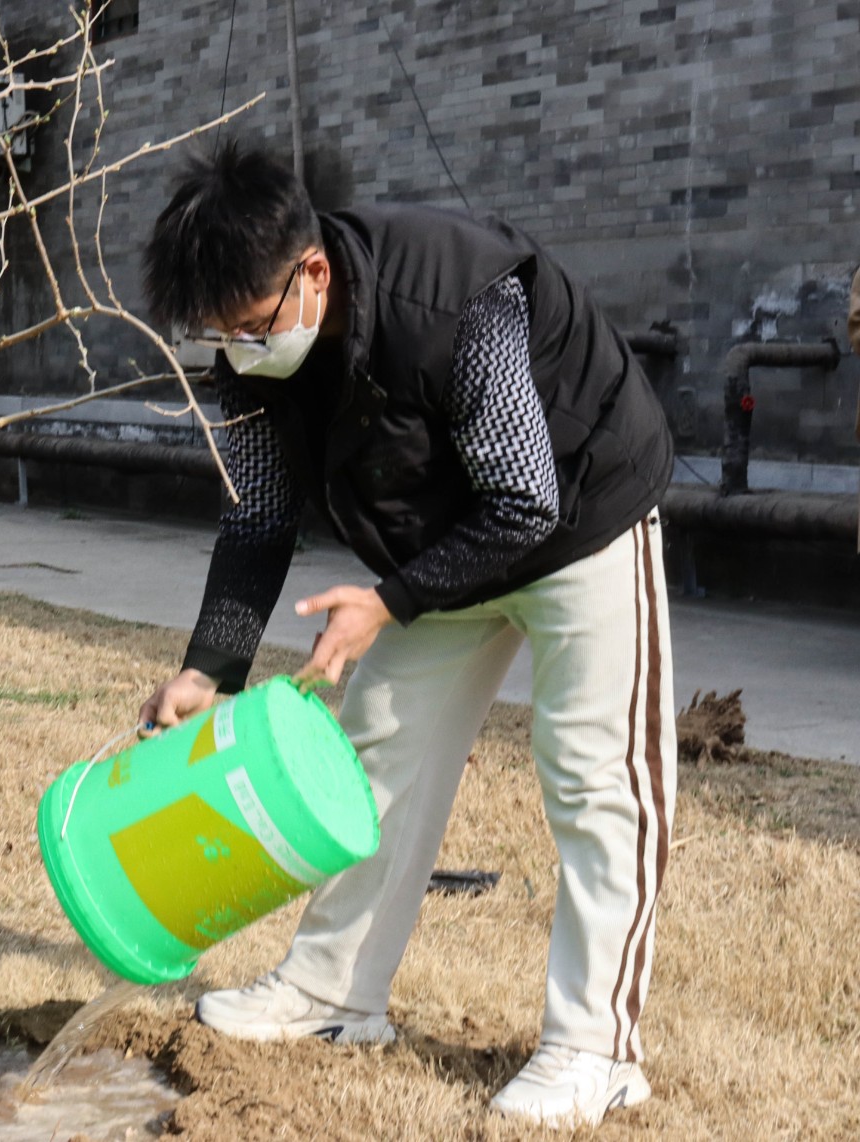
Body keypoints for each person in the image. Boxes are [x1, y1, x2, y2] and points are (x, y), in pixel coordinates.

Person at [136, 143, 676, 1130]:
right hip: (444, 536)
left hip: (578, 510)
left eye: (249, 327)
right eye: (215, 336)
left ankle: (594, 1047)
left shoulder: (454, 300)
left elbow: (523, 500)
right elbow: (256, 517)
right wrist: (206, 670)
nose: (237, 351)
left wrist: (385, 600)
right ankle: (335, 994)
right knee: (375, 742)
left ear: (311, 272)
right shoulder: (249, 361)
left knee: (594, 775)